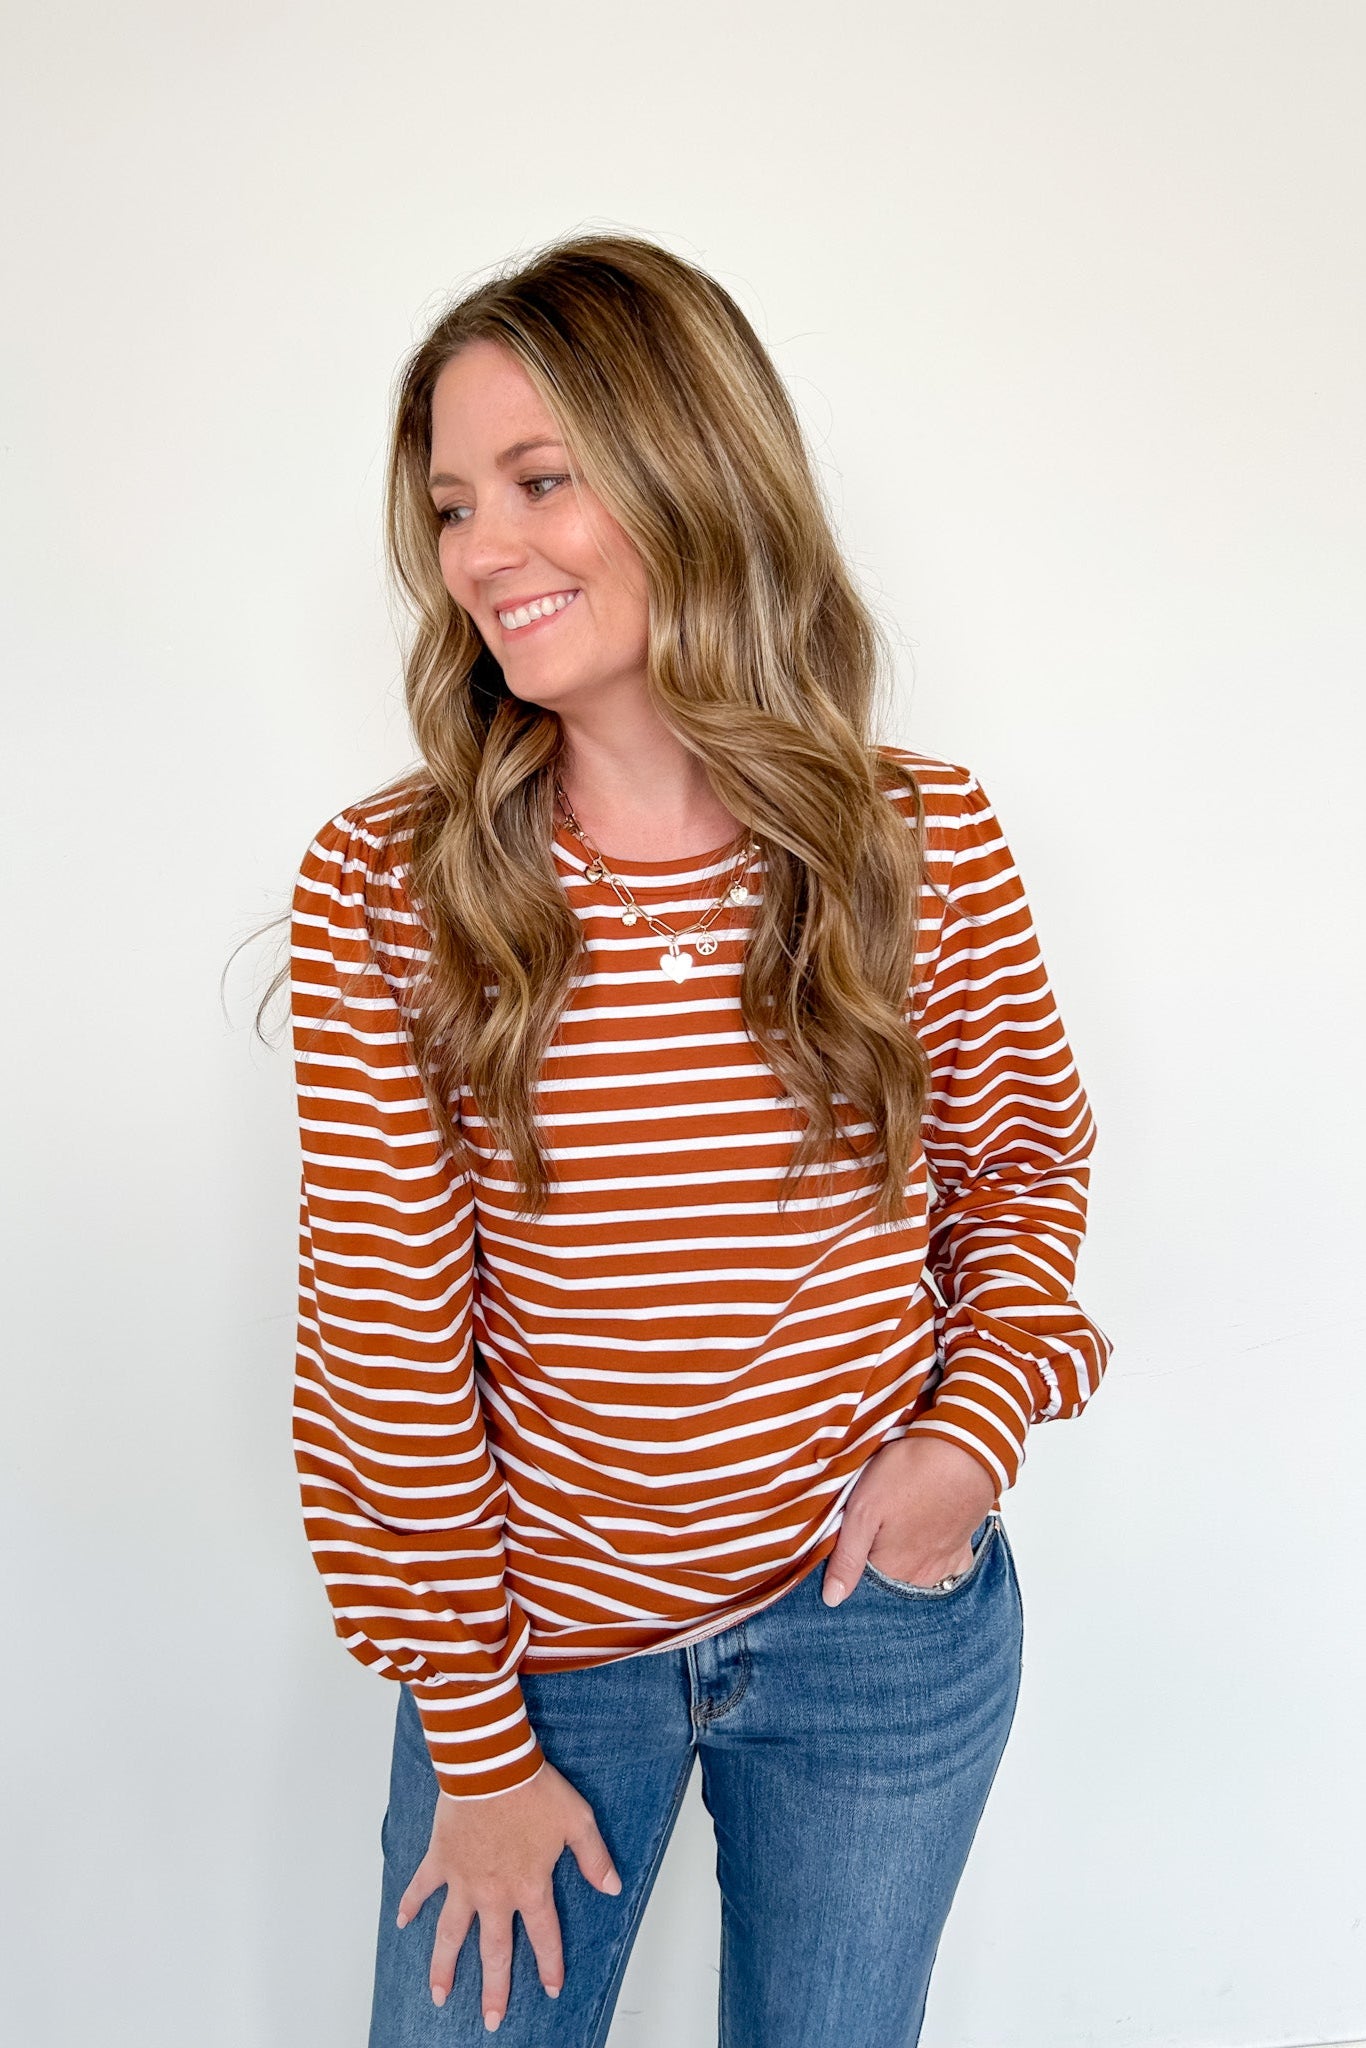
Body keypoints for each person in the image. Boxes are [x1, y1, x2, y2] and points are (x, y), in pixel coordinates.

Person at [287, 232, 1113, 2048]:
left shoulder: (919, 841)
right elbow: (389, 1337)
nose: (480, 551)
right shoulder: (384, 885)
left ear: (691, 469)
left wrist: (967, 1446)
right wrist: (485, 1757)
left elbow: (1018, 1167)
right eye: (447, 504)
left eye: (537, 479)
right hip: (531, 1665)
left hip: (873, 1629)